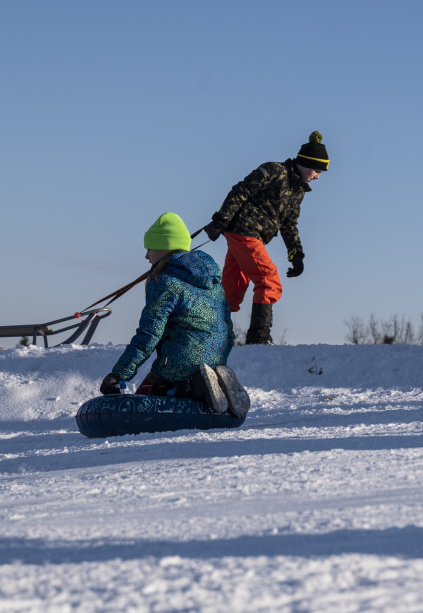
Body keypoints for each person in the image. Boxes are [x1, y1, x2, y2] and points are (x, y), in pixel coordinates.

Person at [100, 212, 250, 416]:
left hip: (181, 361)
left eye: (149, 248)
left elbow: (149, 334)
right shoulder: (212, 279)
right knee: (185, 368)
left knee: (148, 399)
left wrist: (119, 375)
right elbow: (226, 325)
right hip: (217, 357)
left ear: (164, 248)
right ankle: (216, 385)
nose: (146, 256)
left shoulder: (164, 281)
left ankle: (193, 388)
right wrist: (217, 358)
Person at [203, 131, 329, 344]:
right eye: (317, 170)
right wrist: (221, 220)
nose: (318, 176)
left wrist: (296, 255)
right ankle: (259, 337)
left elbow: (289, 225)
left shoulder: (297, 191)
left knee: (231, 289)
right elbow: (241, 190)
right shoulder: (275, 171)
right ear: (305, 163)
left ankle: (206, 334)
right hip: (244, 231)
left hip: (250, 236)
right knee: (268, 279)